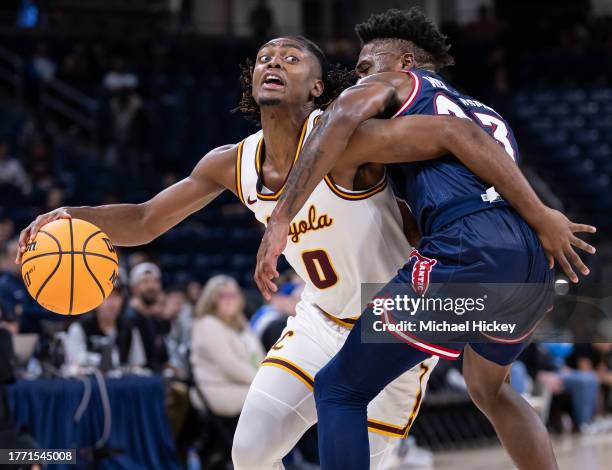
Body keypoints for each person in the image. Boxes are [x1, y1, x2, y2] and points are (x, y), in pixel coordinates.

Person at [15, 36, 587, 470]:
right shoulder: (230, 163)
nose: (273, 63)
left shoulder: (350, 142)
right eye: (265, 57)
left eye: (291, 58)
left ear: (318, 88)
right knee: (250, 451)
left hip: (387, 321)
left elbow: (454, 136)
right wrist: (74, 216)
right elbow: (143, 220)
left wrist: (532, 214)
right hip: (316, 322)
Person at [255, 9, 596, 470]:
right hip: (526, 261)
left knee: (339, 388)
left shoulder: (398, 83)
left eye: (364, 67)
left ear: (405, 60)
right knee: (491, 389)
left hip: (469, 250)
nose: (357, 79)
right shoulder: (485, 111)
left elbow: (340, 118)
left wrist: (281, 217)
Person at [190, 275, 264, 418]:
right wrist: (262, 382)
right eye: (223, 296)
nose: (229, 300)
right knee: (273, 401)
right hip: (219, 388)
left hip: (244, 384)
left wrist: (268, 377)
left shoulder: (240, 321)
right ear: (212, 300)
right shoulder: (207, 324)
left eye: (233, 295)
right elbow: (230, 365)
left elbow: (259, 355)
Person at [118, 262, 169, 372]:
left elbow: (163, 359)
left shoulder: (156, 320)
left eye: (155, 281)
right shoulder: (128, 319)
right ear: (133, 288)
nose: (152, 286)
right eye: (145, 282)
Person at [64, 287, 126, 369]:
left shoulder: (128, 327)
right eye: (107, 297)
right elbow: (72, 364)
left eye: (115, 296)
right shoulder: (80, 327)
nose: (112, 303)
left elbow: (137, 364)